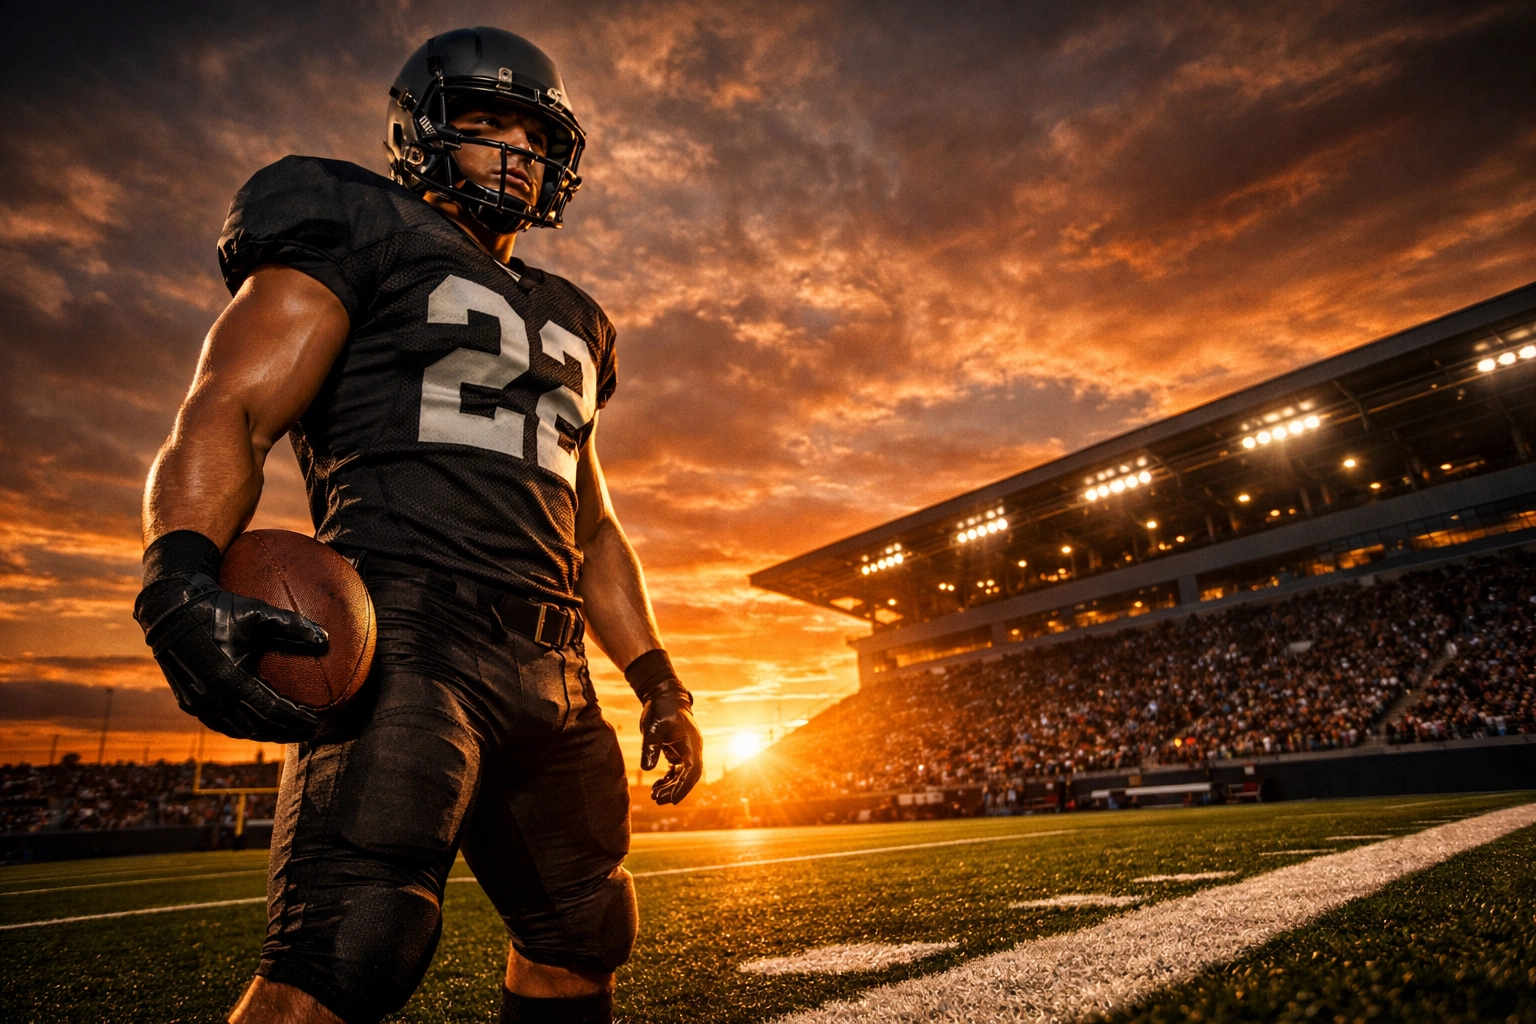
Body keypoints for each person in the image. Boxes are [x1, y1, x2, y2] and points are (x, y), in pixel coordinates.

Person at [132, 27, 702, 1024]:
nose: (514, 152)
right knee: (349, 947)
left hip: (553, 663)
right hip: (407, 635)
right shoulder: (360, 227)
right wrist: (179, 569)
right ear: (425, 134)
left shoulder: (577, 317)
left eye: (533, 132)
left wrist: (657, 681)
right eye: (485, 125)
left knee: (583, 937)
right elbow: (229, 403)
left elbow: (594, 524)